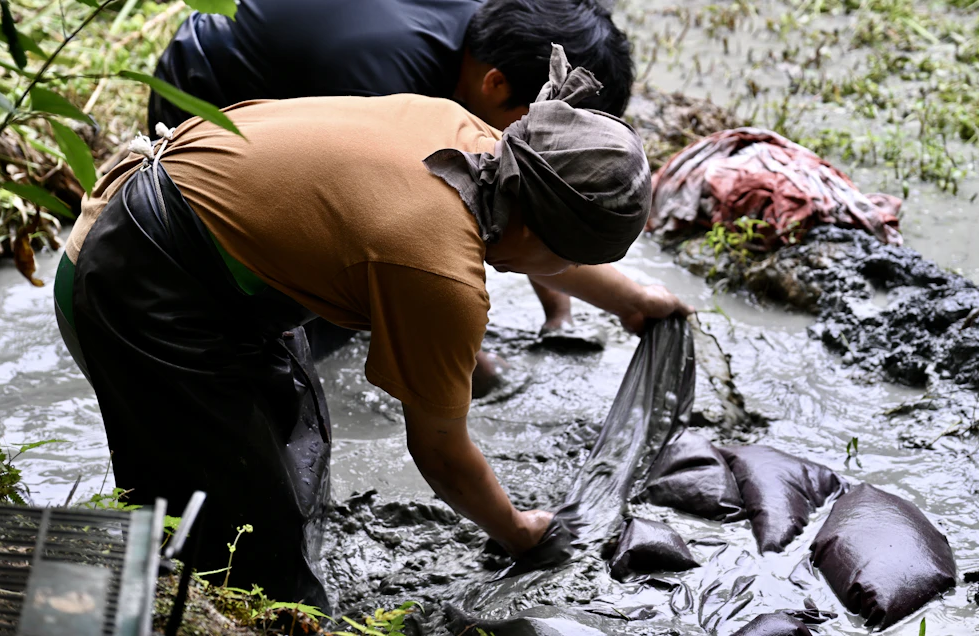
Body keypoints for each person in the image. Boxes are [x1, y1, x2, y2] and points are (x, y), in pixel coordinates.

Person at [55, 48, 690, 609]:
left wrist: (630, 299)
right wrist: (521, 531)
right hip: (135, 282)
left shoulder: (471, 138)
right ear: (537, 234)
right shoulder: (440, 274)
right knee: (249, 564)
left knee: (277, 455)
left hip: (190, 243)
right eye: (571, 257)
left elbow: (536, 243)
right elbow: (441, 454)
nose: (567, 271)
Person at [149, 0, 637, 361]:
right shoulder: (386, 79)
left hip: (285, 89)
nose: (537, 149)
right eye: (535, 130)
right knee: (342, 287)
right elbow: (405, 236)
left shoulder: (487, 37)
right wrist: (466, 369)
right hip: (203, 97)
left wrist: (585, 309)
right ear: (495, 84)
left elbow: (527, 196)